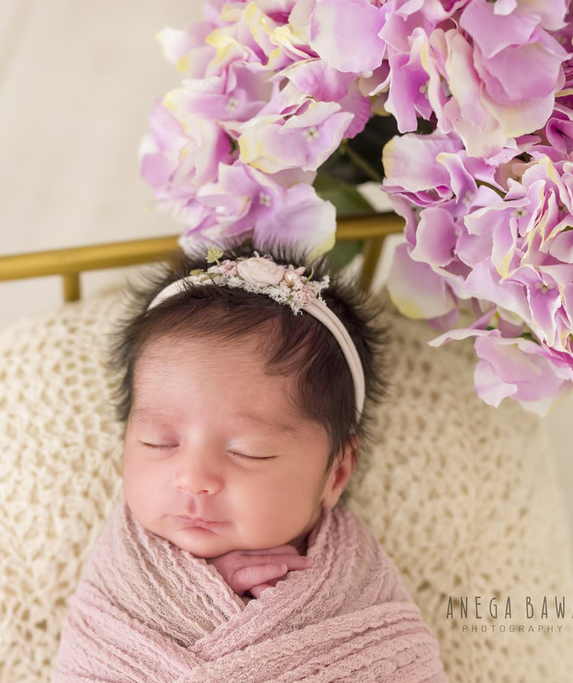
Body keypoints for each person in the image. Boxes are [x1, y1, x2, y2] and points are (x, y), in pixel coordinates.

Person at [104, 239, 393, 600]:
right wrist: (203, 589)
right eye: (158, 442)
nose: (193, 479)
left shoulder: (358, 579)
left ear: (336, 474)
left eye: (249, 452)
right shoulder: (120, 563)